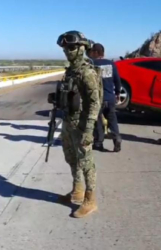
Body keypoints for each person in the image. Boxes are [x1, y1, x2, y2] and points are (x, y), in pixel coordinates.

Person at [55, 30, 103, 218]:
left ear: (82, 48)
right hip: (69, 122)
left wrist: (89, 129)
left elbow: (94, 103)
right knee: (71, 157)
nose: (68, 51)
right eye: (65, 48)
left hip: (81, 125)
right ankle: (77, 191)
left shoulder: (86, 72)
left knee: (86, 162)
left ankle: (90, 200)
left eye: (72, 47)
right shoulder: (71, 71)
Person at [87, 42, 122, 152]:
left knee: (97, 120)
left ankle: (98, 142)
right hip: (110, 98)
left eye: (92, 51)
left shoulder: (91, 64)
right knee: (112, 119)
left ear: (96, 52)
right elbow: (117, 80)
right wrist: (117, 93)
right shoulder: (111, 64)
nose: (90, 53)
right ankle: (117, 138)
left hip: (97, 98)